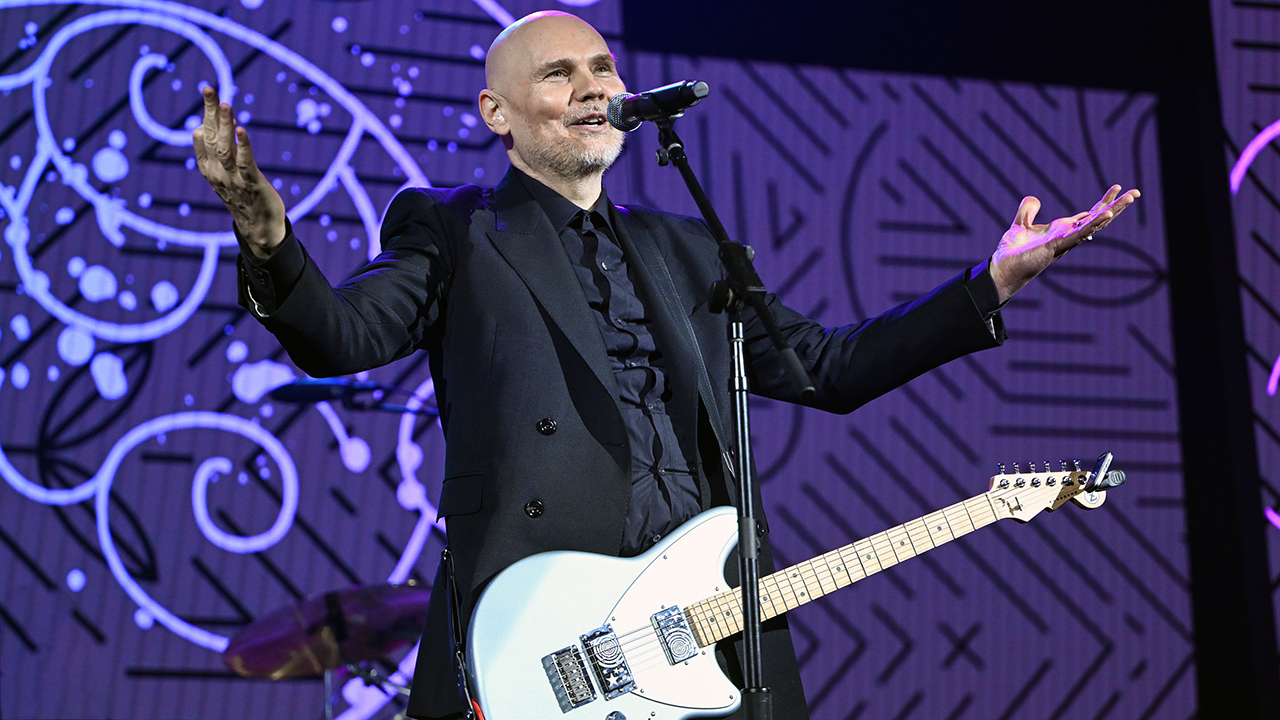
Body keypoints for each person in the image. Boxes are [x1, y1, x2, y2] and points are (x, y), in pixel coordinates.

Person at [193, 11, 1138, 719]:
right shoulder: (452, 229)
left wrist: (992, 282)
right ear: (498, 111)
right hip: (543, 637)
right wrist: (268, 236)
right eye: (560, 74)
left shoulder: (690, 246)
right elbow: (343, 337)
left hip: (706, 632)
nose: (594, 85)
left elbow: (829, 369)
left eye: (603, 67)